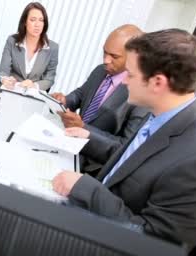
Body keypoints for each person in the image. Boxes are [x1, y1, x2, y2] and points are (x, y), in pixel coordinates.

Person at [52, 29, 196, 250]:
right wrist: (87, 138)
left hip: (109, 251)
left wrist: (86, 188)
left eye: (130, 75)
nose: (123, 83)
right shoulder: (161, 114)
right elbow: (131, 161)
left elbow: (149, 242)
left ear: (157, 83)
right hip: (92, 218)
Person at [51, 24, 147, 174]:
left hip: (92, 166)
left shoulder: (142, 94)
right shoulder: (100, 70)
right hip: (68, 145)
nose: (106, 60)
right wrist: (65, 100)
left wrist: (83, 128)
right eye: (104, 52)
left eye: (114, 56)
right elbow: (81, 94)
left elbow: (124, 147)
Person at [0, 2, 58, 91]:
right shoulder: (12, 41)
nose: (37, 24)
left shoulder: (53, 48)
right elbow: (3, 70)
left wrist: (34, 85)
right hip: (12, 89)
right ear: (25, 22)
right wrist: (5, 79)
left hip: (34, 94)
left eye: (41, 20)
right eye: (33, 20)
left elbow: (49, 79)